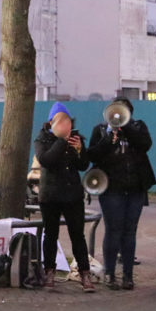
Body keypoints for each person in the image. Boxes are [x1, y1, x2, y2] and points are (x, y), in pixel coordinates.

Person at [88, 97, 155, 290]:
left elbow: (145, 145)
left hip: (135, 188)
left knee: (129, 231)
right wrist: (110, 136)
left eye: (123, 112)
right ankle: (110, 273)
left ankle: (128, 275)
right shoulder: (100, 130)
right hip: (111, 188)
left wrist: (127, 128)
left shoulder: (138, 127)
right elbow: (93, 154)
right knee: (113, 230)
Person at [34, 102, 94, 292]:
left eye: (67, 122)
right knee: (50, 234)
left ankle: (85, 273)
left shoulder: (76, 139)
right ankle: (49, 272)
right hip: (50, 195)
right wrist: (61, 141)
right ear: (51, 123)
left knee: (78, 235)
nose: (64, 126)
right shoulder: (42, 139)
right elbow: (46, 160)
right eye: (59, 122)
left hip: (72, 194)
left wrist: (79, 150)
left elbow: (83, 165)